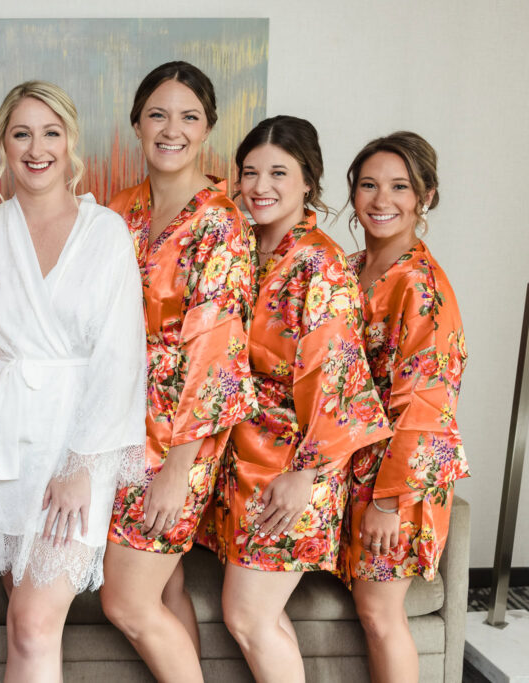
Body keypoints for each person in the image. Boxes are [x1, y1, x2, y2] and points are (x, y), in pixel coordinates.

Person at [0, 80, 146, 682]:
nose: (36, 148)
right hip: (2, 443)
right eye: (21, 133)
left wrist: (80, 466)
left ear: (70, 143)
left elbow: (121, 356)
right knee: (25, 623)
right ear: (3, 146)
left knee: (36, 622)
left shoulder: (106, 232)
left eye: (51, 133)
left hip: (78, 443)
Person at [213, 116, 390, 682]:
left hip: (293, 470)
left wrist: (309, 474)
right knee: (254, 619)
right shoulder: (241, 245)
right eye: (250, 172)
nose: (260, 186)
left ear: (308, 181)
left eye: (278, 173)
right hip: (241, 460)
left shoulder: (320, 263)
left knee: (249, 615)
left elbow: (336, 377)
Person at [97, 60, 259, 683]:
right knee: (164, 590)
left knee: (126, 600)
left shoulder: (221, 222)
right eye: (158, 114)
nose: (172, 129)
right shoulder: (118, 212)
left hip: (176, 440)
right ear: (136, 123)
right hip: (114, 425)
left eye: (189, 116)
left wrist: (178, 471)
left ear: (208, 129)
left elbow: (215, 358)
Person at [343, 131, 468, 683]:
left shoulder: (423, 288)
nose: (381, 200)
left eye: (399, 187)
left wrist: (390, 503)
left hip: (400, 477)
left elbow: (427, 405)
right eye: (369, 185)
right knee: (368, 612)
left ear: (426, 197)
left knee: (379, 614)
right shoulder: (350, 268)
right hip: (356, 467)